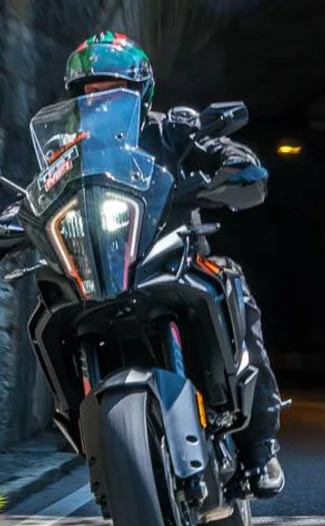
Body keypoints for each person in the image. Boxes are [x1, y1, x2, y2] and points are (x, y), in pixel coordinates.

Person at [63, 31, 288, 499]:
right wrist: (10, 221)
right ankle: (94, 440)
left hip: (176, 253)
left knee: (233, 286)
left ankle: (260, 445)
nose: (98, 98)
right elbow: (42, 189)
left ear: (139, 90)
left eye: (110, 88)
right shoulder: (70, 150)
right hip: (103, 269)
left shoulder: (173, 128)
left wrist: (234, 164)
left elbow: (221, 152)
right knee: (52, 310)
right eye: (89, 90)